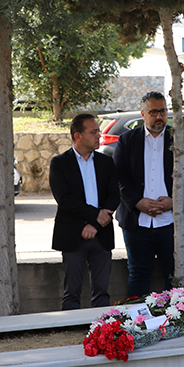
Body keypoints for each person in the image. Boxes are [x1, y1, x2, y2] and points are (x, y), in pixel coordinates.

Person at [113, 92, 184, 298]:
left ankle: (175, 316)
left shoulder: (181, 138)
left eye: (162, 111)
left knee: (173, 274)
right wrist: (137, 202)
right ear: (143, 114)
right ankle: (138, 316)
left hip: (172, 221)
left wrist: (174, 201)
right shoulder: (127, 140)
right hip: (137, 221)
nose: (159, 116)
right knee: (138, 273)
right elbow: (118, 175)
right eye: (153, 112)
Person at [49, 113, 120, 309]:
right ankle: (71, 327)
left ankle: (103, 327)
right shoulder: (60, 163)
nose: (99, 136)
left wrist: (95, 224)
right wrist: (95, 216)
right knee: (71, 293)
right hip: (73, 235)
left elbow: (114, 195)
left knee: (102, 293)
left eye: (98, 131)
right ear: (78, 136)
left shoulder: (106, 162)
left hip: (101, 234)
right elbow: (64, 199)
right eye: (94, 132)